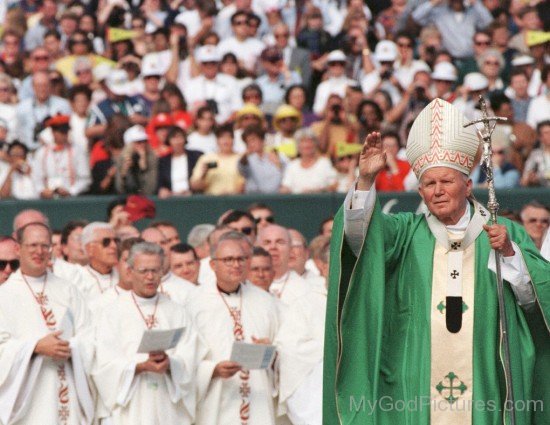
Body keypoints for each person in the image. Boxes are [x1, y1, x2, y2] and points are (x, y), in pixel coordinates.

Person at [324, 98, 550, 424]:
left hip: (486, 385)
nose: (438, 190)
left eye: (446, 181)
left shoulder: (504, 232)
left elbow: (536, 305)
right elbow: (358, 243)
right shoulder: (403, 233)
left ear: (468, 185)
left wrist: (511, 255)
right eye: (429, 183)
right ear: (420, 191)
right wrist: (365, 182)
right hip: (415, 390)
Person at [93, 242, 208, 424]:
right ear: (130, 272)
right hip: (131, 406)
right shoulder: (112, 312)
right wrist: (140, 367)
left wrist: (171, 363)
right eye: (144, 271)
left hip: (168, 403)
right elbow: (104, 364)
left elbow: (191, 354)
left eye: (156, 271)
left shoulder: (177, 311)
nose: (150, 277)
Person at [0, 222, 93, 424]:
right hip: (30, 402)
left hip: (69, 386)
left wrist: (72, 346)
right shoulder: (4, 296)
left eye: (45, 246)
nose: (39, 251)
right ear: (18, 249)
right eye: (32, 245)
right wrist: (35, 347)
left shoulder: (69, 290)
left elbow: (90, 336)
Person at [187, 234, 280, 425]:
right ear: (213, 265)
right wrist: (212, 370)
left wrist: (272, 353)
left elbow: (286, 354)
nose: (236, 265)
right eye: (228, 259)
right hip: (215, 400)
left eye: (241, 259)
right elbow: (184, 358)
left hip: (258, 398)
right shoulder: (194, 303)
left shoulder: (266, 302)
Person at [275, 237, 330, 425]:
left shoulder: (367, 305)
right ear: (322, 266)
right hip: (316, 400)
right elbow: (289, 349)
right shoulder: (305, 304)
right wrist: (333, 346)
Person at [31, 115, 91, 198]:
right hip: (47, 198)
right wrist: (42, 190)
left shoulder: (77, 151)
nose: (64, 135)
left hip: (70, 198)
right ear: (53, 132)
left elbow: (85, 179)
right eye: (61, 132)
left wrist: (71, 191)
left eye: (66, 132)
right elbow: (36, 177)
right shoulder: (41, 152)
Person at [257, 224, 311, 305]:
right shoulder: (246, 286)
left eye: (280, 242)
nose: (273, 247)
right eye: (267, 242)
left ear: (290, 248)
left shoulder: (306, 290)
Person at [280, 128, 337, 194]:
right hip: (296, 202)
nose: (306, 145)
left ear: (315, 144)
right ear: (298, 146)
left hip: (319, 201)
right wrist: (284, 190)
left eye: (310, 141)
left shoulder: (324, 163)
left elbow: (334, 185)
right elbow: (286, 186)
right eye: (303, 141)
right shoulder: (292, 165)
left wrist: (317, 191)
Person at [238, 125, 286, 194]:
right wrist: (246, 155)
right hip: (253, 199)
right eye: (247, 141)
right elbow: (242, 168)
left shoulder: (276, 156)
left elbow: (288, 177)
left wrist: (279, 165)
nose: (251, 144)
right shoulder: (246, 160)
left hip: (275, 198)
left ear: (262, 140)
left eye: (253, 140)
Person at [157, 127, 203, 198]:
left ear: (185, 139)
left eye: (180, 137)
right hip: (171, 198)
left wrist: (191, 191)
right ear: (169, 141)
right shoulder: (163, 161)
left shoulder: (195, 156)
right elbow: (161, 182)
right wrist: (163, 190)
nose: (177, 141)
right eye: (174, 138)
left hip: (192, 197)